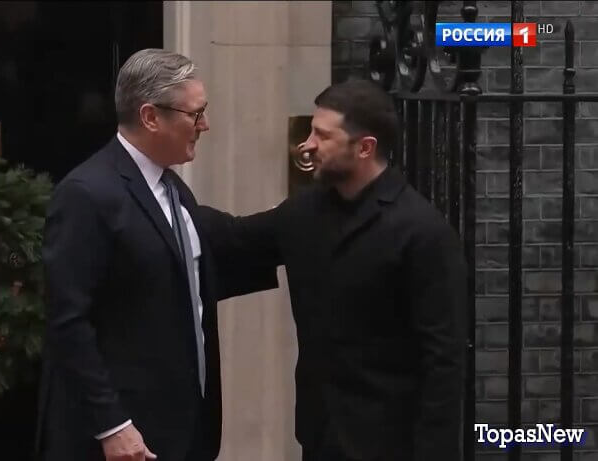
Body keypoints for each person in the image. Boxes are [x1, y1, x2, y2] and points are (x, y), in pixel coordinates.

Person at [197, 78, 469, 461]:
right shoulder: (305, 212)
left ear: (365, 147)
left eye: (323, 136)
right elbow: (233, 237)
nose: (307, 145)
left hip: (391, 445)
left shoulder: (422, 232)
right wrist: (163, 198)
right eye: (311, 131)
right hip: (320, 439)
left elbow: (443, 362)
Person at [34, 48, 277, 461]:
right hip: (121, 439)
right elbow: (67, 321)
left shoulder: (172, 188)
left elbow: (193, 270)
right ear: (150, 117)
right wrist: (112, 426)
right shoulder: (86, 195)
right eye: (195, 114)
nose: (205, 125)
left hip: (182, 429)